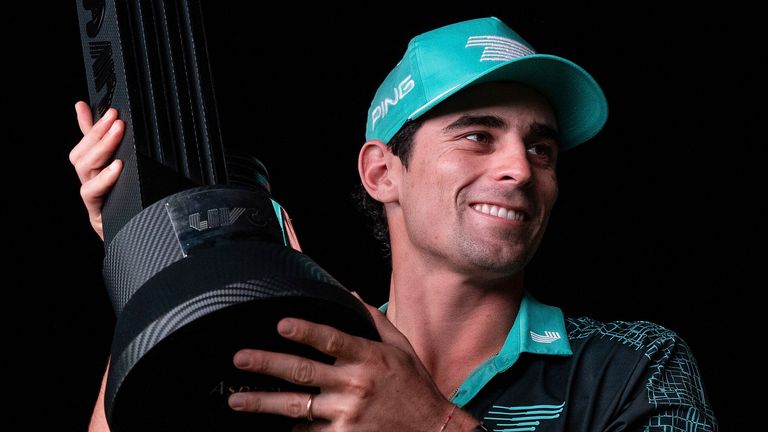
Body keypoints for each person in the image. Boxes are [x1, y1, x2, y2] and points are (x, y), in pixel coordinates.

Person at [71, 17, 718, 431]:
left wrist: (434, 424)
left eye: (541, 147)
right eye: (477, 135)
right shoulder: (296, 357)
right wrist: (146, 259)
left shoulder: (635, 364)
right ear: (382, 173)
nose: (521, 168)